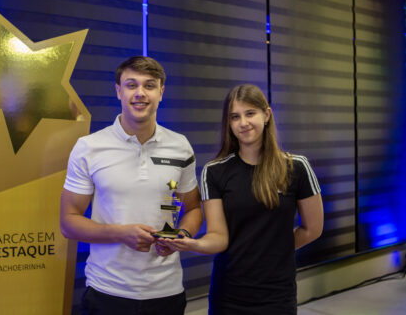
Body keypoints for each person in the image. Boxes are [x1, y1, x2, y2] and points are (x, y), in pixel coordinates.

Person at [158, 84, 324, 314]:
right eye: (235, 117)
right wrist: (192, 244)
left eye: (250, 113)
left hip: (277, 296)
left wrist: (273, 251)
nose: (243, 123)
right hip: (229, 296)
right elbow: (218, 235)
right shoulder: (214, 172)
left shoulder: (296, 167)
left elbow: (313, 229)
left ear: (266, 114)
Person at [60, 56, 203, 315]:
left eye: (149, 85)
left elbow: (193, 209)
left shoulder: (180, 145)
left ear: (161, 92)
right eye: (131, 85)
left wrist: (181, 236)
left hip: (167, 292)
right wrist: (121, 233)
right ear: (118, 91)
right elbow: (68, 222)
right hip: (107, 293)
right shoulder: (89, 147)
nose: (140, 93)